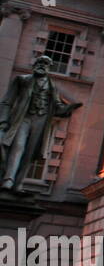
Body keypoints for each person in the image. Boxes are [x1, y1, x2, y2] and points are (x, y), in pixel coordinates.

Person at [0, 55, 81, 190]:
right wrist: (2, 122)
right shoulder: (22, 80)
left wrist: (69, 108)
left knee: (30, 152)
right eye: (40, 62)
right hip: (23, 118)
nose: (42, 65)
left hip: (41, 120)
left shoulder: (52, 86)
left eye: (45, 63)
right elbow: (7, 101)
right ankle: (8, 179)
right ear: (34, 65)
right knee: (18, 147)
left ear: (49, 68)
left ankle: (18, 184)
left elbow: (57, 106)